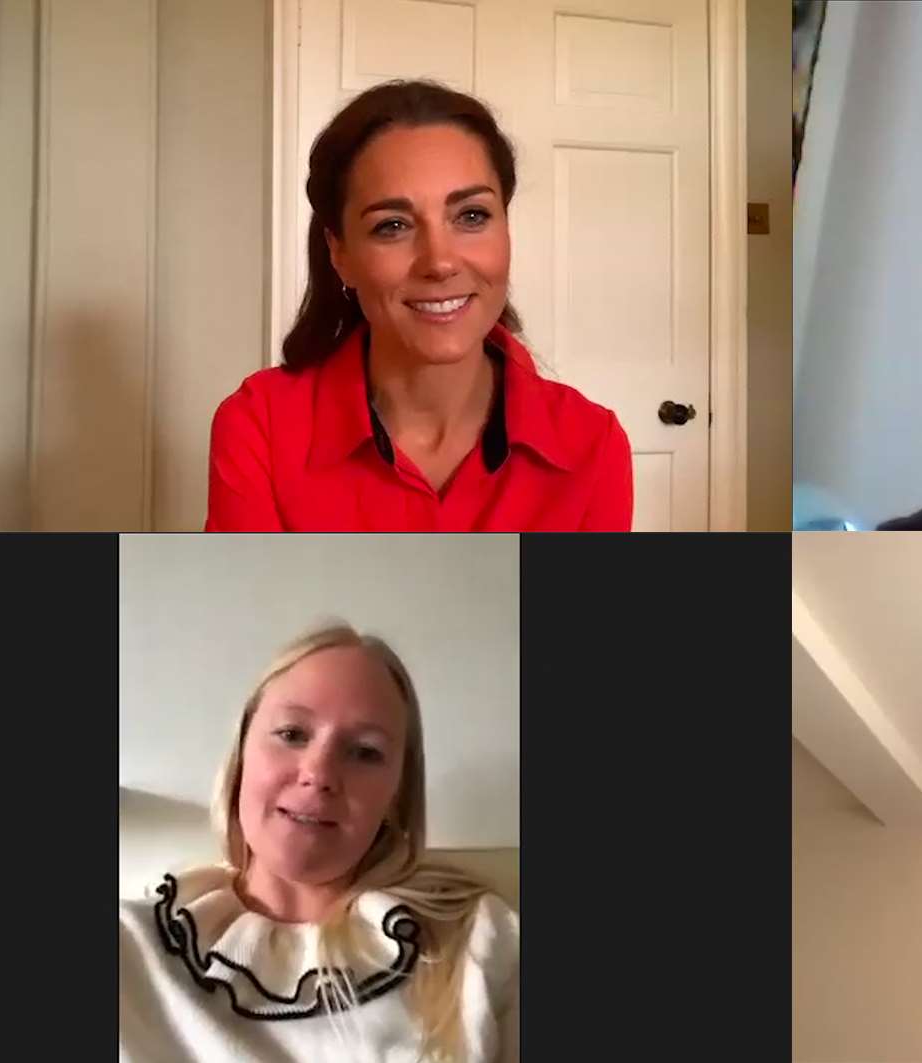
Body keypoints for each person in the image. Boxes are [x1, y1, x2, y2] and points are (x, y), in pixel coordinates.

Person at [207, 80, 632, 531]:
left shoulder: (592, 444)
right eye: (392, 226)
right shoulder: (261, 427)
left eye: (471, 216)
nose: (440, 262)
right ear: (340, 253)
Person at [119, 623, 519, 1062]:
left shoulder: (481, 943)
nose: (320, 773)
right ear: (241, 757)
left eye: (365, 752)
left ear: (396, 797)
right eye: (292, 734)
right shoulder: (130, 949)